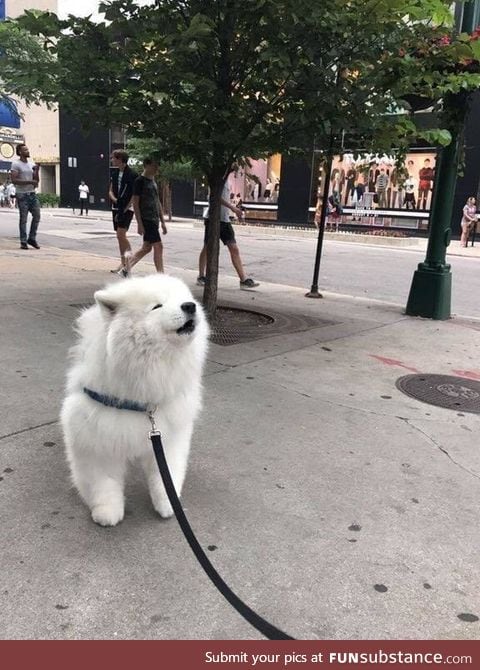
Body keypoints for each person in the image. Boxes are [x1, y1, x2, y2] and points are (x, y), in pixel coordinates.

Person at [197, 181, 260, 290]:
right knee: (207, 247)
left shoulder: (228, 181)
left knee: (234, 248)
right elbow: (215, 197)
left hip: (225, 220)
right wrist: (233, 208)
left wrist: (235, 211)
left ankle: (243, 279)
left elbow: (225, 200)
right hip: (213, 218)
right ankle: (201, 276)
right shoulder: (217, 178)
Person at [126, 157, 168, 275]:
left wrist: (163, 221)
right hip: (147, 219)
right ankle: (161, 275)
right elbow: (135, 203)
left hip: (154, 219)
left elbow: (157, 201)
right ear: (147, 165)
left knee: (147, 248)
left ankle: (126, 268)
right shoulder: (140, 181)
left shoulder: (153, 181)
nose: (156, 168)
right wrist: (139, 224)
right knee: (158, 246)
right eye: (154, 165)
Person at [109, 150, 137, 275]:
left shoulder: (132, 174)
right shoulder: (115, 173)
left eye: (114, 158)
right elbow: (110, 190)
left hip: (127, 208)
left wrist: (127, 206)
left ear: (120, 159)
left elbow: (134, 194)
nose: (112, 160)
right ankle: (123, 261)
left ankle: (129, 261)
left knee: (121, 234)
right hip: (116, 207)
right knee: (119, 236)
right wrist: (115, 200)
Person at [10, 144, 41, 250]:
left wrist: (37, 170)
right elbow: (14, 180)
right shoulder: (16, 164)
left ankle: (32, 238)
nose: (28, 151)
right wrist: (29, 181)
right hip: (22, 195)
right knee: (23, 219)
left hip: (32, 193)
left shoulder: (31, 164)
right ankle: (23, 241)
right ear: (20, 152)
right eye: (25, 150)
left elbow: (36, 181)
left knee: (37, 216)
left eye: (27, 149)